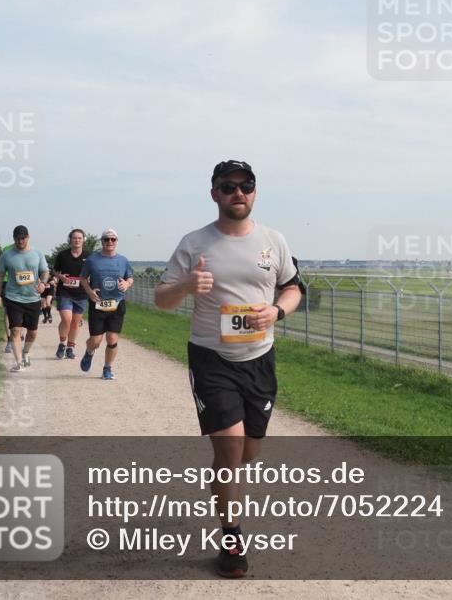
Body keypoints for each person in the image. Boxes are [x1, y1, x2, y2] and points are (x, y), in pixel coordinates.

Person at [154, 160, 303, 579]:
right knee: (231, 447)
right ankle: (232, 538)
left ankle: (226, 480)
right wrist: (186, 286)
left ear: (254, 192)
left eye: (246, 185)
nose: (238, 192)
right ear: (214, 193)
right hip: (211, 358)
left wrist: (276, 311)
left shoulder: (273, 241)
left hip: (259, 359)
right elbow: (162, 299)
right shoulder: (194, 243)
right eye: (228, 186)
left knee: (248, 452)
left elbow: (293, 288)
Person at [0, 225, 49, 372]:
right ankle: (18, 363)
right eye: (17, 239)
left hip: (33, 298)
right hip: (13, 297)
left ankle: (26, 352)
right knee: (15, 330)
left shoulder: (37, 253)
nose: (20, 241)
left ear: (28, 237)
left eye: (23, 238)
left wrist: (43, 283)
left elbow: (45, 271)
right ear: (14, 239)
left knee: (32, 332)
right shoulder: (7, 255)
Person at [79, 228, 134, 380]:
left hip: (117, 304)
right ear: (102, 241)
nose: (110, 242)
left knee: (112, 339)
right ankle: (89, 351)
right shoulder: (92, 260)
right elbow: (83, 278)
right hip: (98, 303)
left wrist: (127, 284)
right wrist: (89, 292)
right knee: (96, 341)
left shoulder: (123, 260)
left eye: (113, 239)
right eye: (106, 239)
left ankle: (107, 368)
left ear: (116, 241)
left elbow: (130, 277)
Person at [54, 229, 89, 359]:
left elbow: (93, 271)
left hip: (81, 293)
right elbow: (55, 271)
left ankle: (70, 347)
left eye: (80, 238)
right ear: (70, 240)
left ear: (83, 240)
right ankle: (62, 344)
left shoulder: (89, 256)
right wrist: (60, 277)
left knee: (75, 322)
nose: (77, 240)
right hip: (65, 292)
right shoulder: (62, 255)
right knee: (66, 319)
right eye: (74, 238)